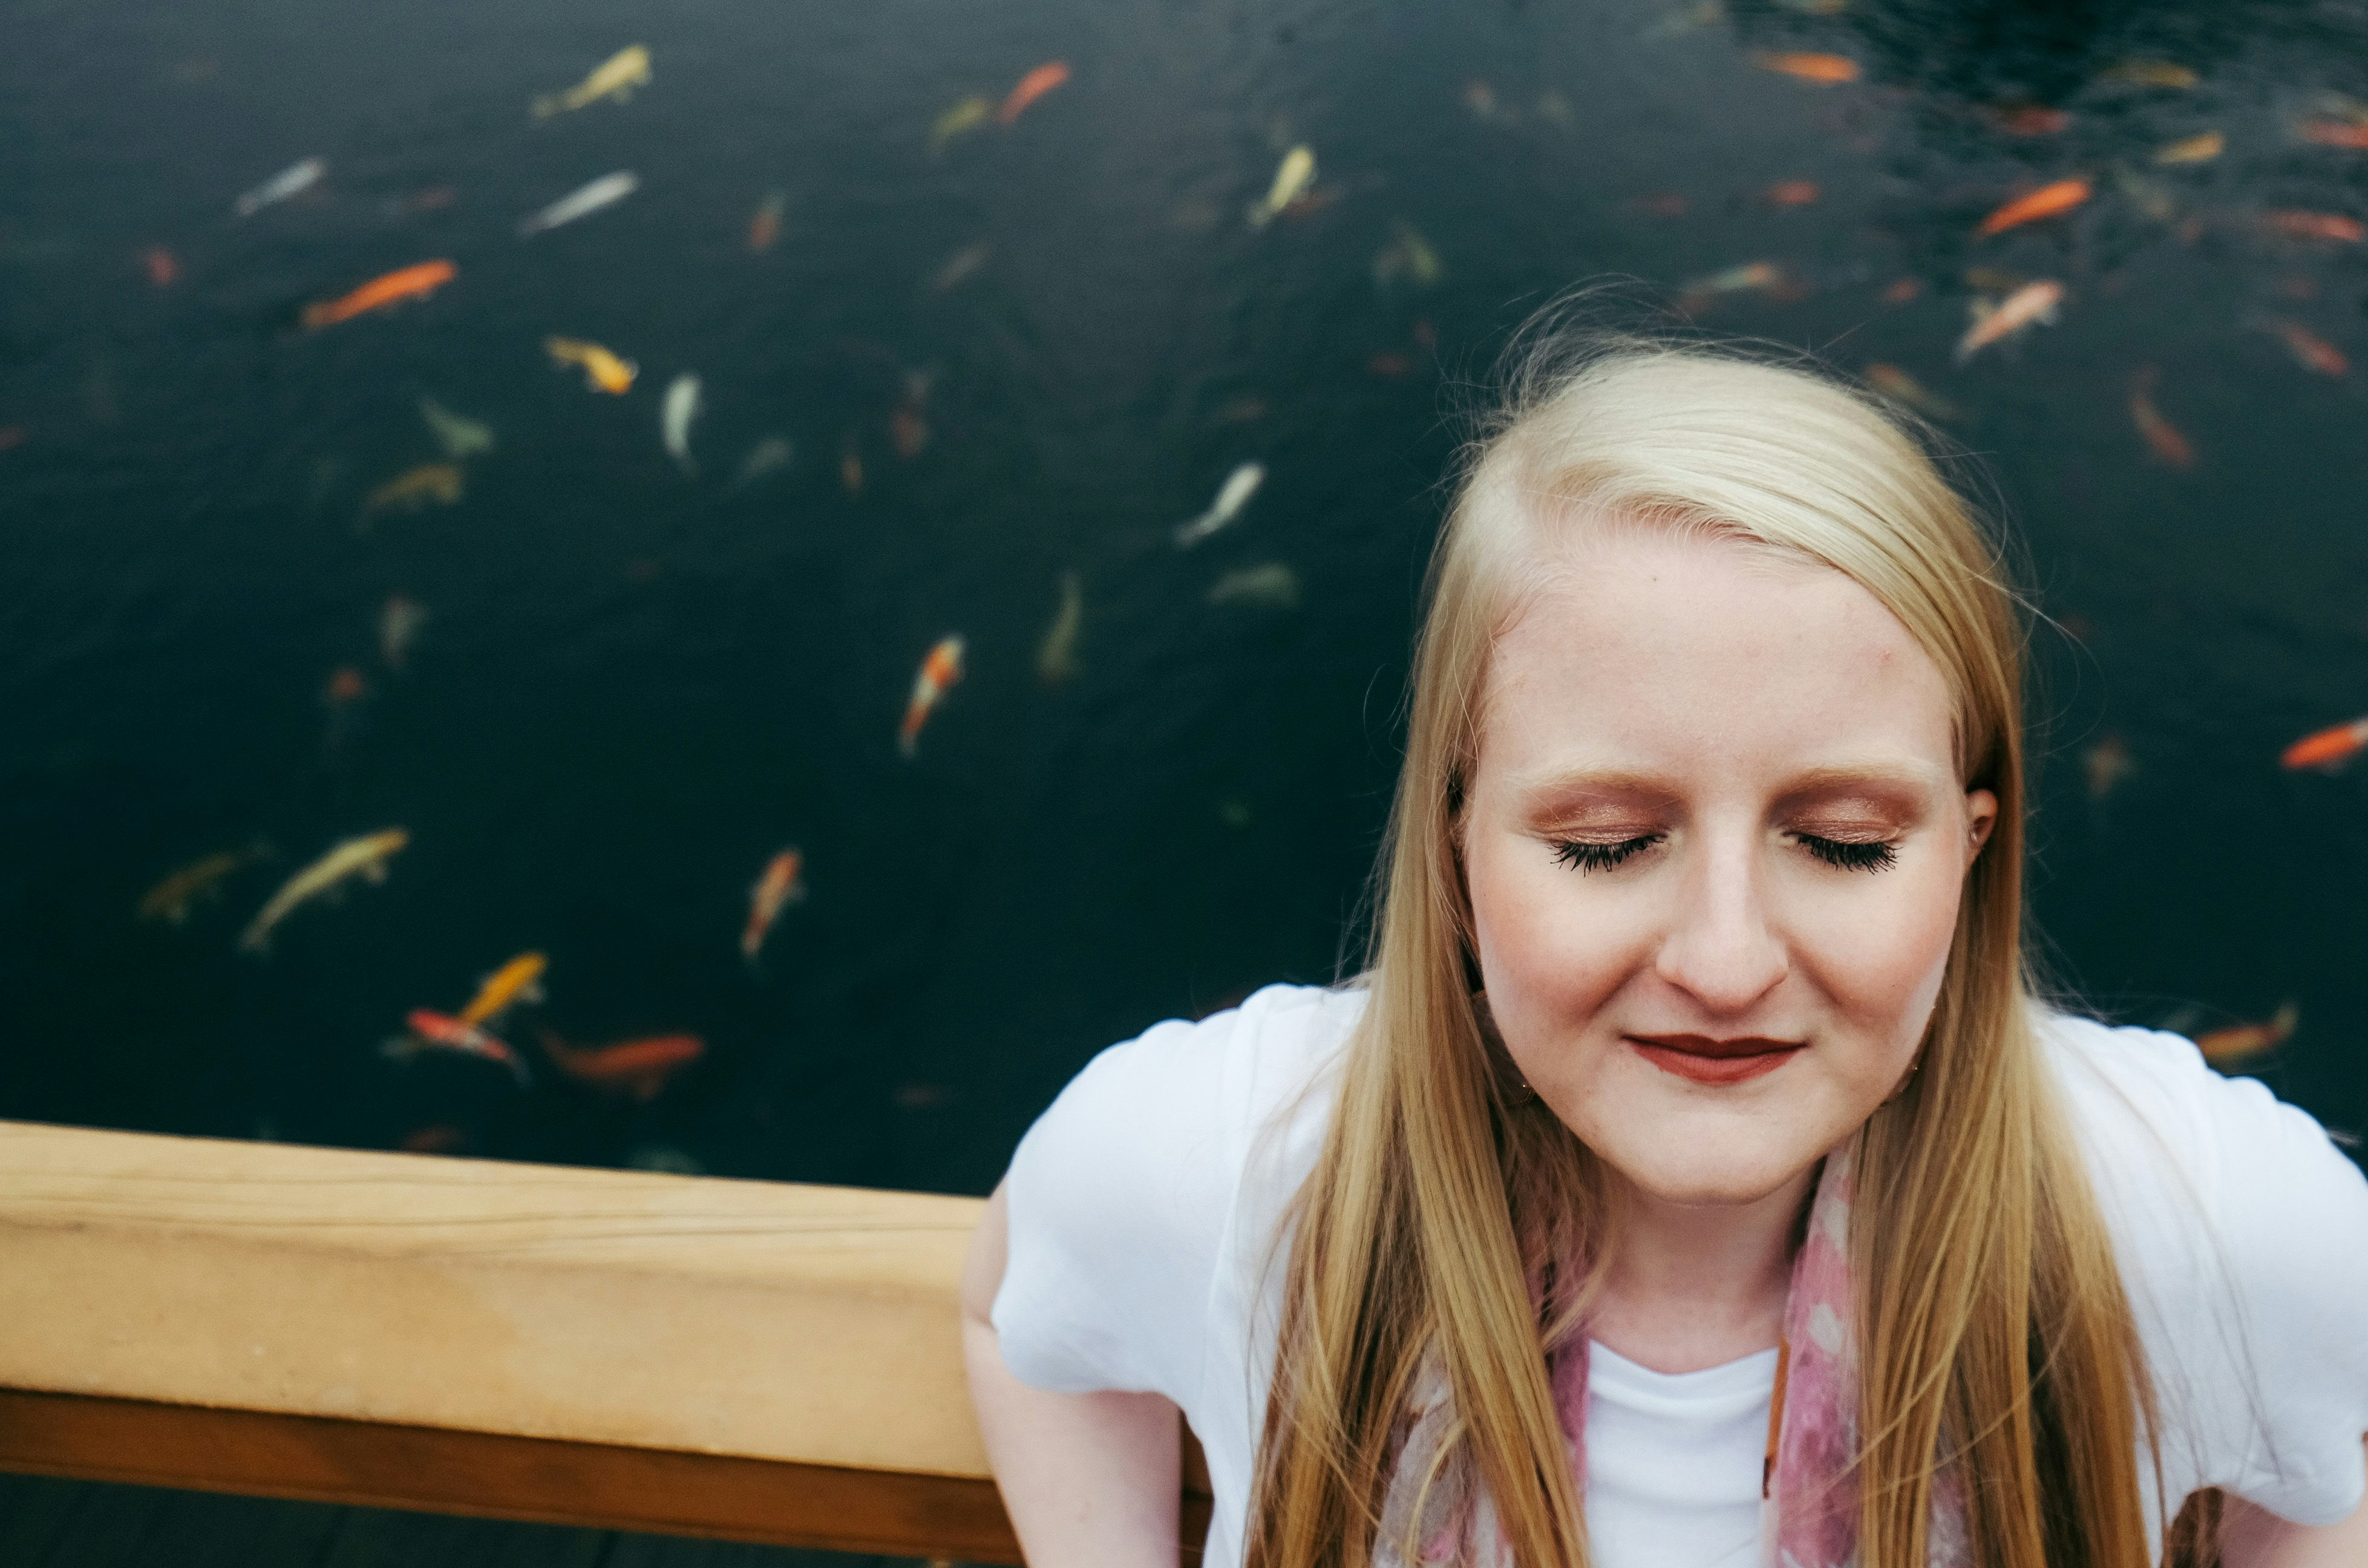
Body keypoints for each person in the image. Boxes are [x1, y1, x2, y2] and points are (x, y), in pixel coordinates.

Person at [960, 328, 2368, 1568]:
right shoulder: (1230, 1165)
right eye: (1604, 841)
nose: (1723, 960)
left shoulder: (2194, 1226)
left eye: (1843, 843)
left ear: (1969, 849)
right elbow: (1010, 1292)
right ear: (1454, 845)